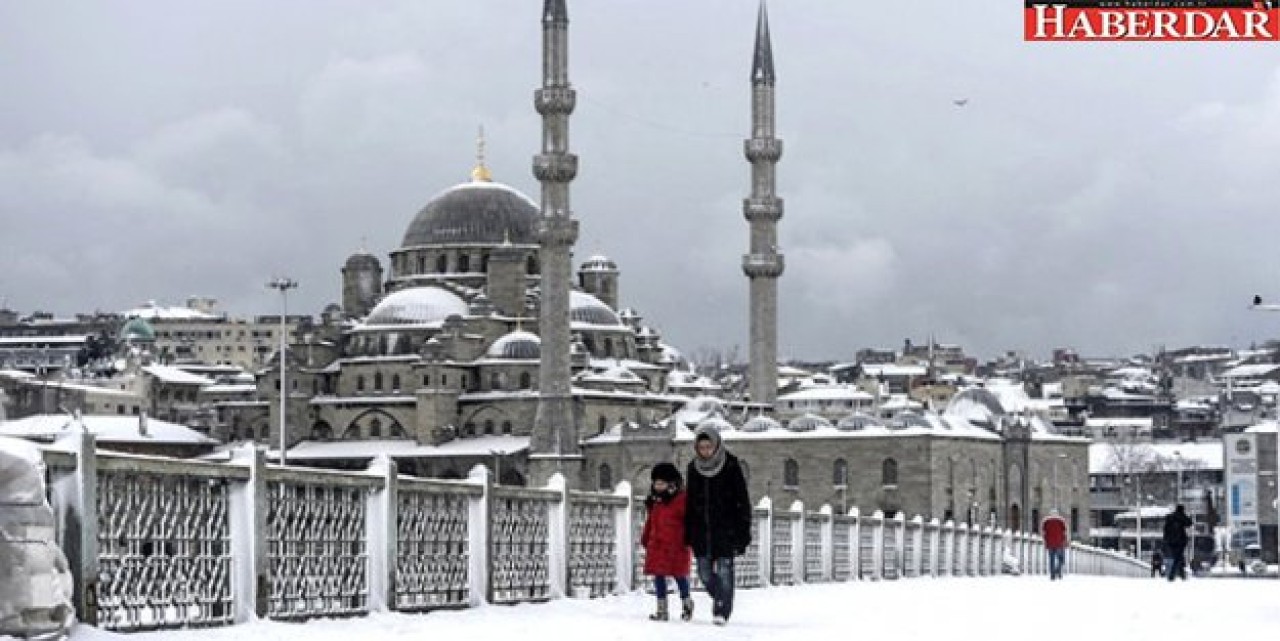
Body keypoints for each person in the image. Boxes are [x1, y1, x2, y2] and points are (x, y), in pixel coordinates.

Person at [684, 424, 751, 626]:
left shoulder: (730, 466)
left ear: (716, 446)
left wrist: (742, 532)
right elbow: (690, 502)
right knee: (704, 574)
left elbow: (742, 500)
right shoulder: (693, 469)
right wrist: (688, 531)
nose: (705, 451)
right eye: (701, 447)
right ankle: (722, 596)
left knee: (724, 571)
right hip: (702, 531)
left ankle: (722, 609)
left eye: (708, 447)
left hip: (726, 529)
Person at [640, 463, 693, 622]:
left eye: (661, 483)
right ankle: (661, 609)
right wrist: (646, 537)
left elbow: (690, 521)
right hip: (657, 545)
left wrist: (689, 538)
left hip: (677, 545)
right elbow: (651, 522)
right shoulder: (655, 501)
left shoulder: (682, 500)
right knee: (659, 576)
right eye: (656, 483)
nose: (658, 486)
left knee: (679, 576)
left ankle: (686, 602)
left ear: (672, 484)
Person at [1162, 504, 1192, 581]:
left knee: (1178, 557)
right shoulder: (1182, 516)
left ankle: (1182, 575)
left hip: (1170, 541)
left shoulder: (1169, 517)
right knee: (1178, 557)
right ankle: (1172, 576)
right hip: (1180, 541)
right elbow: (1189, 523)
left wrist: (1165, 539)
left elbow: (1165, 529)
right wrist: (1188, 516)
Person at [1041, 509, 1068, 580]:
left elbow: (1044, 533)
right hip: (1059, 544)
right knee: (1061, 559)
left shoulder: (1046, 521)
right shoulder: (1061, 521)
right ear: (1057, 514)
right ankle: (1058, 571)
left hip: (1050, 544)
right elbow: (1064, 532)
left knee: (1051, 559)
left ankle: (1052, 575)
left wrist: (1045, 542)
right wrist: (1065, 541)